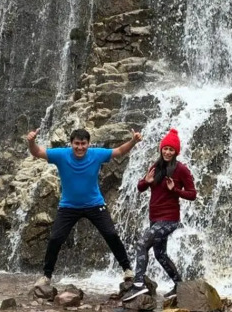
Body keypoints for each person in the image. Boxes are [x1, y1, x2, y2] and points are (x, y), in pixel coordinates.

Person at [26, 126, 142, 294]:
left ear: (89, 144)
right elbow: (37, 152)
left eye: (83, 144)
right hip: (68, 206)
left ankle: (127, 270)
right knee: (55, 239)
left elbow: (118, 152)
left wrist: (133, 141)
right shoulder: (61, 155)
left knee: (111, 234)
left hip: (94, 204)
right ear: (71, 143)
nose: (80, 147)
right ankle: (47, 275)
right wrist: (31, 142)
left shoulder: (96, 154)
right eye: (77, 144)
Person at [122, 128, 196, 302]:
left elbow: (192, 194)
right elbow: (140, 188)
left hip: (169, 219)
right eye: (166, 148)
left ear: (176, 152)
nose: (168, 152)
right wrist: (145, 181)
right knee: (160, 254)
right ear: (161, 149)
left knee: (142, 243)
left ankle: (138, 285)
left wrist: (175, 190)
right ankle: (179, 285)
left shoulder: (181, 170)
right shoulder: (156, 167)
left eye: (171, 149)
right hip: (154, 218)